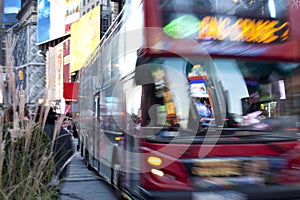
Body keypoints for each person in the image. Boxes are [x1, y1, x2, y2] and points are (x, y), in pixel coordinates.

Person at [37, 106, 73, 185]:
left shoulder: (37, 132)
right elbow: (67, 154)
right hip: (56, 175)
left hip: (37, 176)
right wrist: (59, 172)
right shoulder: (64, 133)